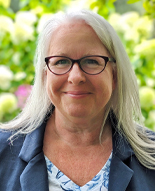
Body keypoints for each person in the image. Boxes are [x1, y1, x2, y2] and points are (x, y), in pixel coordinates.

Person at [0, 9, 155, 191]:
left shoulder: (151, 154)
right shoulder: (3, 151)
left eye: (91, 61)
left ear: (114, 75)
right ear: (44, 76)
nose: (75, 77)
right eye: (61, 61)